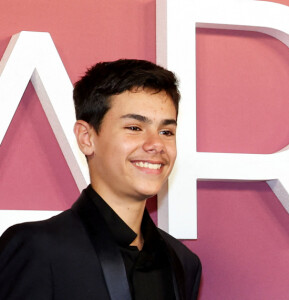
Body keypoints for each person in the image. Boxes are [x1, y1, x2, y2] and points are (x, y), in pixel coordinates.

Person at [0, 59, 201, 300]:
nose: (156, 145)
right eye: (135, 128)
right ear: (86, 137)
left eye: (166, 132)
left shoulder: (182, 262)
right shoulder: (38, 249)